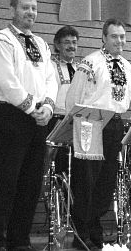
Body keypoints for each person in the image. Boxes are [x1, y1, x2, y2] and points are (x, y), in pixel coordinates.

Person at [0, 0, 57, 251]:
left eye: (34, 8)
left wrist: (48, 108)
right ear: (12, 10)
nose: (30, 12)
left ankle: (20, 240)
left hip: (38, 119)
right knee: (7, 181)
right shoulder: (2, 40)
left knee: (31, 182)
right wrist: (33, 107)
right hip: (11, 117)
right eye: (25, 8)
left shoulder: (42, 44)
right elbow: (7, 81)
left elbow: (50, 79)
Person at [66, 18, 131, 249]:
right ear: (103, 38)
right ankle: (82, 232)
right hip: (91, 124)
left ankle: (94, 226)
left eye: (122, 36)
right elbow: (74, 96)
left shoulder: (126, 65)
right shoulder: (90, 62)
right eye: (114, 36)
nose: (119, 40)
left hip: (114, 125)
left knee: (105, 182)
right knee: (86, 180)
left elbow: (125, 100)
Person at [48, 25, 80, 175]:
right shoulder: (50, 66)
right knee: (57, 167)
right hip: (56, 121)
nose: (71, 46)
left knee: (76, 168)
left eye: (74, 42)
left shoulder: (81, 68)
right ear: (57, 45)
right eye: (67, 42)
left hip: (77, 122)